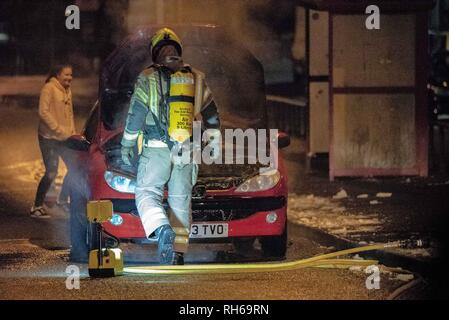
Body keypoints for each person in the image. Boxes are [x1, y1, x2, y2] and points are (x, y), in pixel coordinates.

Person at [120, 28, 220, 265]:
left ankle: (162, 229)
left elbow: (136, 115)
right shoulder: (196, 77)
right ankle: (177, 253)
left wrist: (127, 144)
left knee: (147, 193)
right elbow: (212, 114)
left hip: (156, 148)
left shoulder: (147, 78)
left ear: (155, 53)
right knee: (180, 199)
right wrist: (213, 142)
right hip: (187, 149)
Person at [31, 64, 75, 218]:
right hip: (48, 138)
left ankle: (62, 200)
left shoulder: (67, 90)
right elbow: (43, 112)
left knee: (75, 169)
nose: (69, 78)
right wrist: (57, 129)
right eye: (66, 75)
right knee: (51, 172)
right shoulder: (49, 88)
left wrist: (72, 132)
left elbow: (69, 114)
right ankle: (36, 206)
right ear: (58, 74)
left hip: (65, 138)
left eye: (71, 75)